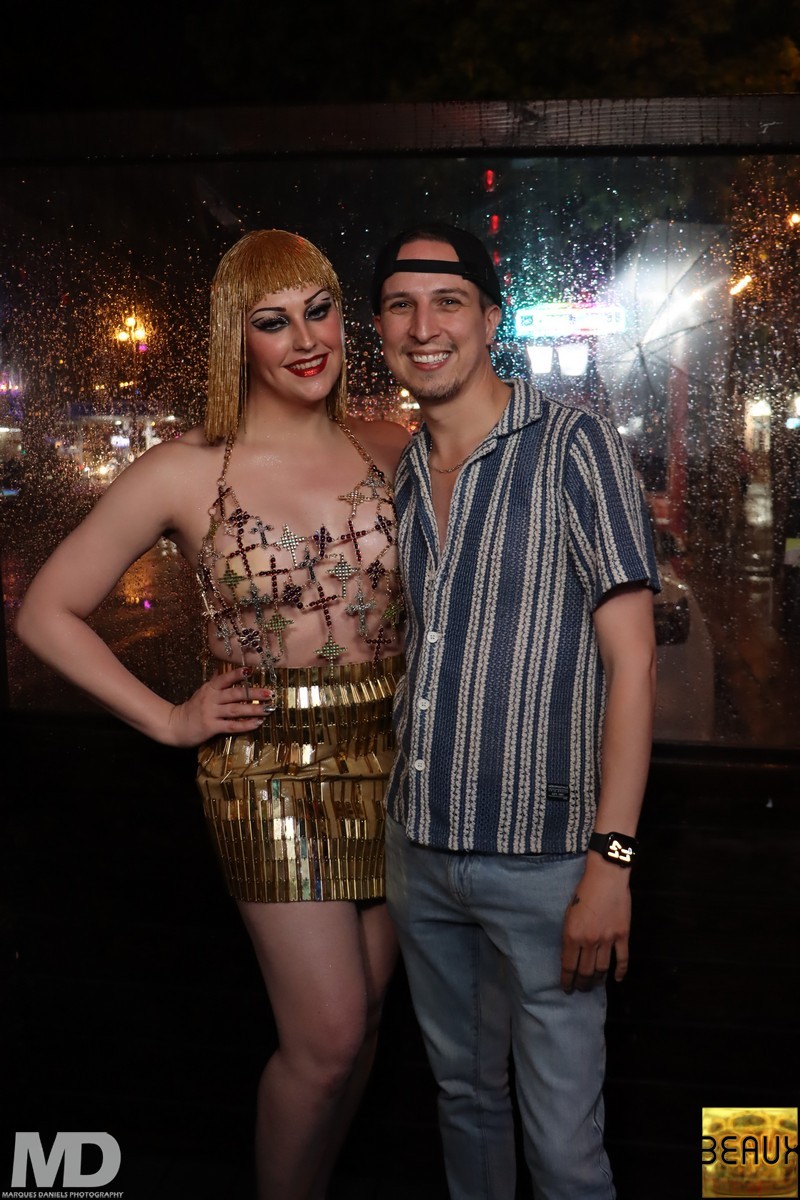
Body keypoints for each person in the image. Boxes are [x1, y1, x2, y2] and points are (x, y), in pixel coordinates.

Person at [16, 228, 410, 1200]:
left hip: (397, 758)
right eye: (274, 322)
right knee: (326, 1035)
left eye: (319, 311)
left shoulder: (393, 446)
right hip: (266, 769)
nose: (305, 340)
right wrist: (167, 719)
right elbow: (44, 612)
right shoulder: (185, 469)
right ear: (239, 337)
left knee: (365, 1021)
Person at [369, 221, 661, 1200]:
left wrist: (611, 862)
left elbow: (633, 664)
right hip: (419, 850)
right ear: (381, 330)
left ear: (490, 320)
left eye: (447, 302)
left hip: (546, 865)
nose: (424, 326)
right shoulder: (406, 472)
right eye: (401, 305)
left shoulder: (574, 445)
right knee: (463, 1102)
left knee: (565, 1152)